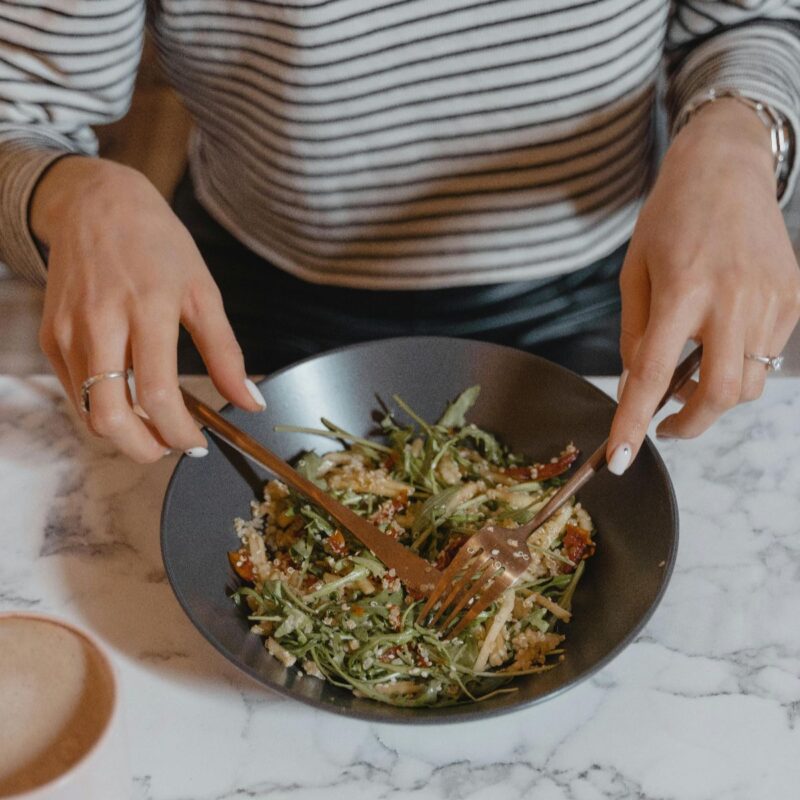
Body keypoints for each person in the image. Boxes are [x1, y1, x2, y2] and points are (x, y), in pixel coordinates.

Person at [1, 1, 799, 475]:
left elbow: (753, 18)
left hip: (618, 289)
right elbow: (19, 112)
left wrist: (736, 131)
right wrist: (73, 195)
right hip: (247, 304)